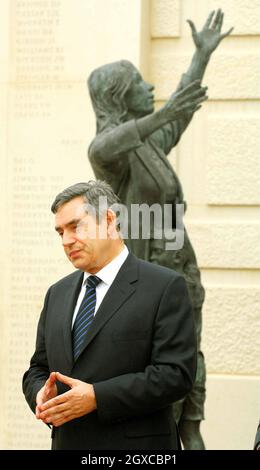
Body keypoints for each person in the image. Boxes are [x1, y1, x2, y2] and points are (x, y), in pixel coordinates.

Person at [87, 10, 233, 449]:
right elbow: (105, 143)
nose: (149, 88)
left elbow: (180, 109)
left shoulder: (150, 144)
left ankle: (191, 427)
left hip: (179, 269)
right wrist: (162, 112)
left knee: (191, 358)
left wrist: (200, 57)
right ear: (119, 96)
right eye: (139, 84)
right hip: (145, 280)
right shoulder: (110, 153)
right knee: (160, 368)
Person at [22, 180, 196, 450]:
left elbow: (176, 375)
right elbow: (37, 369)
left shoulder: (164, 287)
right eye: (60, 232)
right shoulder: (57, 293)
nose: (67, 240)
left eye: (76, 226)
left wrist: (97, 397)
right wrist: (42, 395)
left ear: (109, 219)